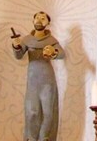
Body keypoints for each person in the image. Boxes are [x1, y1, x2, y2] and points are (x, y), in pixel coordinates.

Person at [13, 12, 65, 141]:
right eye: (37, 18)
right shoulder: (27, 40)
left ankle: (45, 137)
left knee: (48, 112)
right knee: (32, 111)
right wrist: (16, 45)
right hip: (33, 81)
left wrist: (53, 52)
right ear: (33, 21)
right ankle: (31, 138)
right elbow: (19, 55)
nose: (39, 20)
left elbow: (61, 53)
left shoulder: (51, 40)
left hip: (47, 80)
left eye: (43, 18)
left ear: (48, 23)